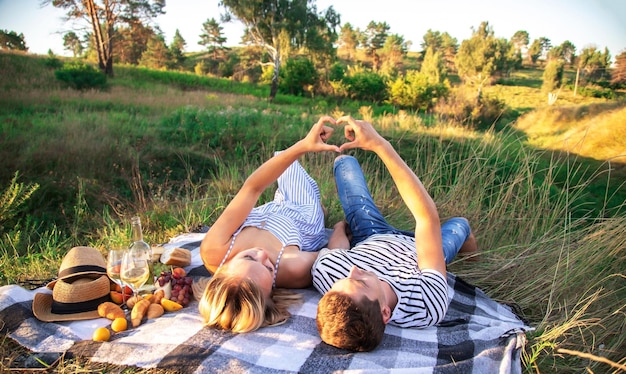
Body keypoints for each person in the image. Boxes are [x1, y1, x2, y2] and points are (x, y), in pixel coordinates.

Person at [312, 116, 478, 352]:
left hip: (371, 235)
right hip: (422, 249)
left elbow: (337, 252)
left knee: (344, 163)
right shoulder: (426, 304)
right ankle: (477, 264)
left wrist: (340, 227)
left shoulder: (332, 282)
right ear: (385, 312)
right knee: (461, 225)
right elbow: (426, 218)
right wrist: (380, 145)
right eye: (360, 282)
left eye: (346, 278)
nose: (353, 270)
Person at [199, 116, 340, 333]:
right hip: (301, 216)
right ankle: (320, 209)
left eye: (248, 257)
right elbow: (336, 255)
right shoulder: (293, 267)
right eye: (267, 267)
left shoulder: (213, 249)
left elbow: (252, 189)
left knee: (282, 157)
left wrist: (303, 145)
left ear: (223, 269)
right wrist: (341, 227)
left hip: (272, 208)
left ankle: (299, 197)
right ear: (271, 292)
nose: (263, 254)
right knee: (293, 174)